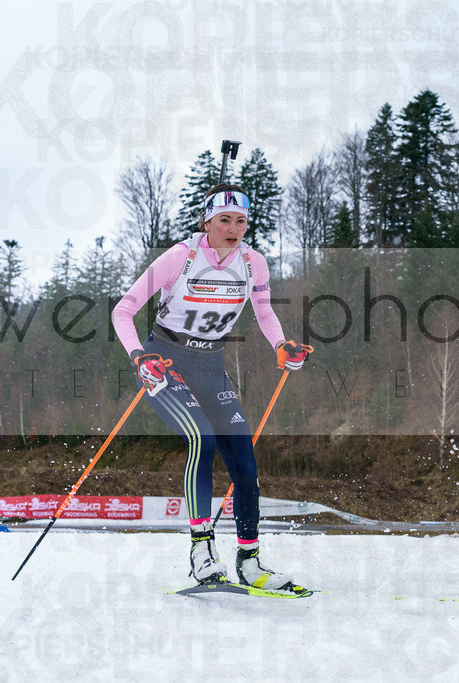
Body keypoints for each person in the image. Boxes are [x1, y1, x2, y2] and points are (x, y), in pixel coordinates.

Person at [112, 184, 312, 593]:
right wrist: (138, 356)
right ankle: (201, 550)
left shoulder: (254, 263)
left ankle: (250, 561)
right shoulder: (180, 257)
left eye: (240, 221)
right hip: (165, 360)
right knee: (200, 436)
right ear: (207, 221)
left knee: (244, 462)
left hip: (211, 365)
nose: (233, 228)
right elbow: (123, 310)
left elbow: (264, 311)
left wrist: (282, 346)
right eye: (224, 219)